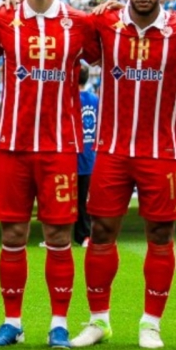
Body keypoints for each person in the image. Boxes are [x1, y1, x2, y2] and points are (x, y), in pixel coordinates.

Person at [70, 0, 176, 350]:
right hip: (112, 150)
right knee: (100, 232)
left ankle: (151, 324)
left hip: (161, 151)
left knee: (161, 235)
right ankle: (98, 321)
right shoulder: (105, 24)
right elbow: (73, 26)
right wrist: (95, 9)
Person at [0, 0, 95, 349]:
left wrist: (114, 11)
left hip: (60, 147)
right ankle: (12, 323)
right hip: (13, 145)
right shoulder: (1, 19)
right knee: (12, 235)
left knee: (59, 237)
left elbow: (112, 53)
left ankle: (59, 324)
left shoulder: (81, 23)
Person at [75, 66, 98, 247]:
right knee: (84, 200)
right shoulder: (96, 100)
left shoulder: (69, 99)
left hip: (72, 156)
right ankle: (84, 236)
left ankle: (82, 235)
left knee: (66, 200)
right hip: (90, 155)